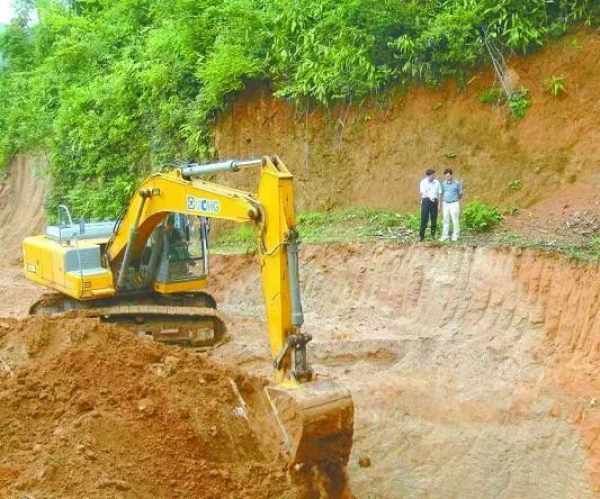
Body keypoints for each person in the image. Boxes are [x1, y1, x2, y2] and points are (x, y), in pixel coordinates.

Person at [439, 168, 464, 242]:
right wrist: (440, 204)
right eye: (446, 176)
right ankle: (445, 236)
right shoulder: (443, 184)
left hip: (454, 203)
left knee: (454, 219)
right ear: (445, 176)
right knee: (445, 220)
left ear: (451, 175)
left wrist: (461, 189)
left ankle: (455, 235)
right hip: (445, 203)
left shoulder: (456, 183)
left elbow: (460, 195)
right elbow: (441, 194)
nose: (448, 177)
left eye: (449, 176)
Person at [419, 168, 441, 241]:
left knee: (434, 218)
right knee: (424, 218)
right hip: (426, 201)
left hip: (434, 201)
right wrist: (429, 197)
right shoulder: (423, 182)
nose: (433, 177)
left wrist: (439, 204)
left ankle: (433, 235)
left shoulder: (437, 182)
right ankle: (421, 236)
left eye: (434, 175)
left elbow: (439, 193)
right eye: (432, 175)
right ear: (428, 176)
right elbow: (422, 192)